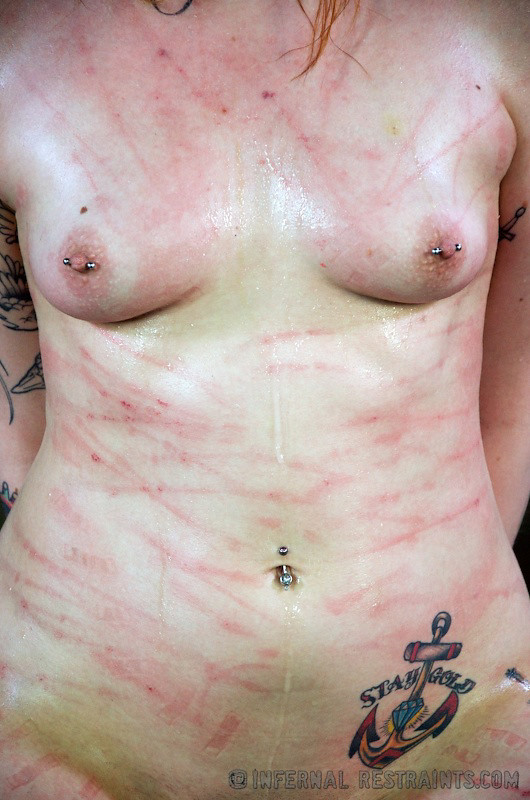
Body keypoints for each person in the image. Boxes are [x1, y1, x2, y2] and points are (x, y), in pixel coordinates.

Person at [0, 1, 528, 797]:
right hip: (65, 725)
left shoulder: (497, 28)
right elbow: (16, 400)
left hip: (459, 728)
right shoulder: (18, 45)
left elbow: (514, 399)